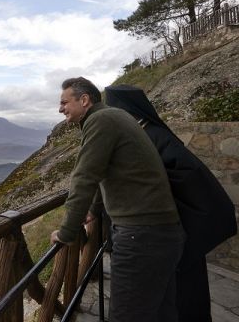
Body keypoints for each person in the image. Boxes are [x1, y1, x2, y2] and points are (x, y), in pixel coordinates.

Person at [50, 77, 185, 322]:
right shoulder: (114, 117)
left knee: (126, 315)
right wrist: (92, 209)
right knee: (162, 313)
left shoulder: (100, 120)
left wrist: (67, 232)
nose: (60, 109)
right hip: (161, 233)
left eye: (64, 102)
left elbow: (85, 177)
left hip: (140, 236)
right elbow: (107, 172)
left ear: (84, 100)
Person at [105, 84, 237, 322]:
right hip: (162, 234)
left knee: (176, 301)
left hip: (165, 234)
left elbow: (188, 176)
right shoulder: (148, 135)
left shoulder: (154, 137)